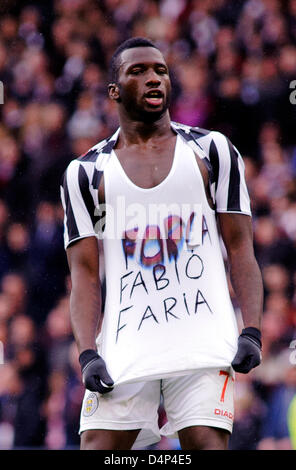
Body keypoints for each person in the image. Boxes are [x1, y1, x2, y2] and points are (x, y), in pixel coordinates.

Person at [60, 37, 263, 450]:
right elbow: (83, 274)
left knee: (205, 442)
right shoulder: (87, 174)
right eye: (138, 71)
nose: (153, 77)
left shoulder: (211, 152)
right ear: (114, 90)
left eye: (160, 70)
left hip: (203, 343)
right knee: (98, 447)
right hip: (126, 348)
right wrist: (87, 353)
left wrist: (253, 330)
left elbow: (241, 247)